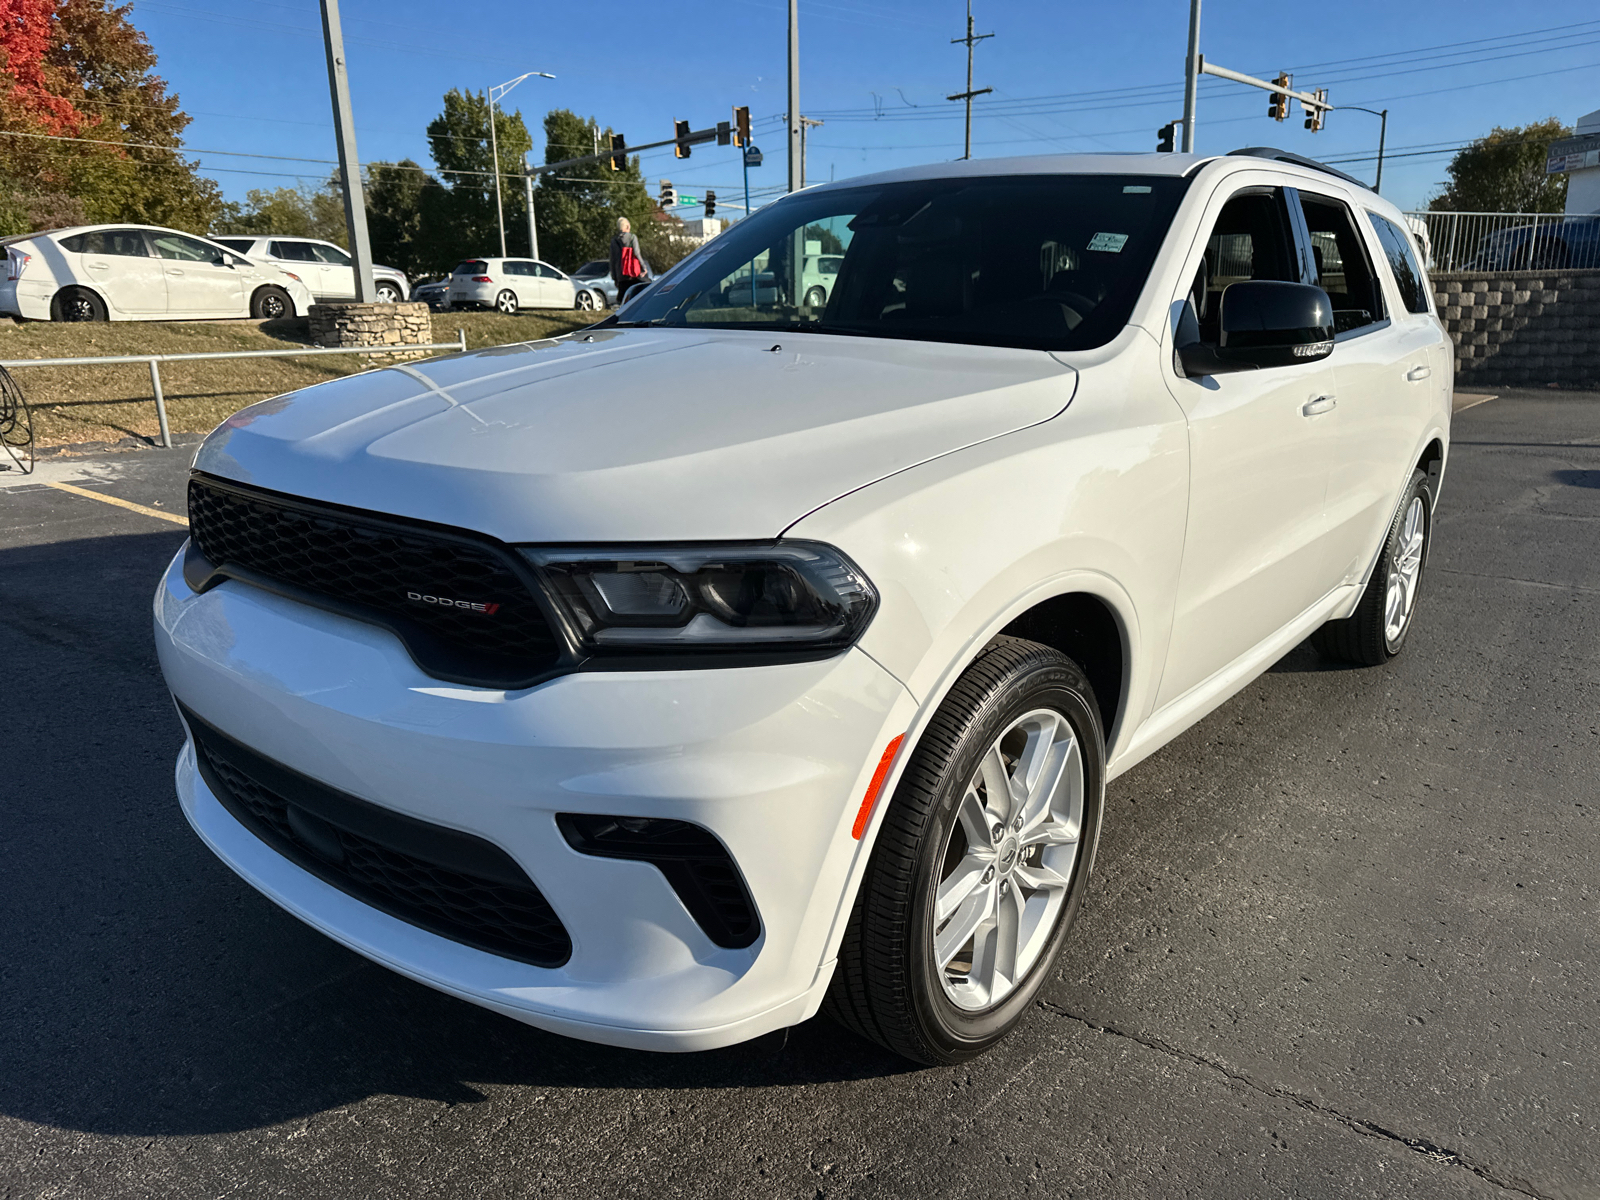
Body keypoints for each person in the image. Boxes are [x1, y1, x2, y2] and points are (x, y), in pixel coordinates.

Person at [609, 217, 650, 305]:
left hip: (621, 275)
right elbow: (637, 253)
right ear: (627, 227)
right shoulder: (632, 237)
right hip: (633, 273)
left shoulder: (614, 241)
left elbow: (612, 260)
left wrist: (614, 277)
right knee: (636, 299)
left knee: (623, 300)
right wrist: (644, 267)